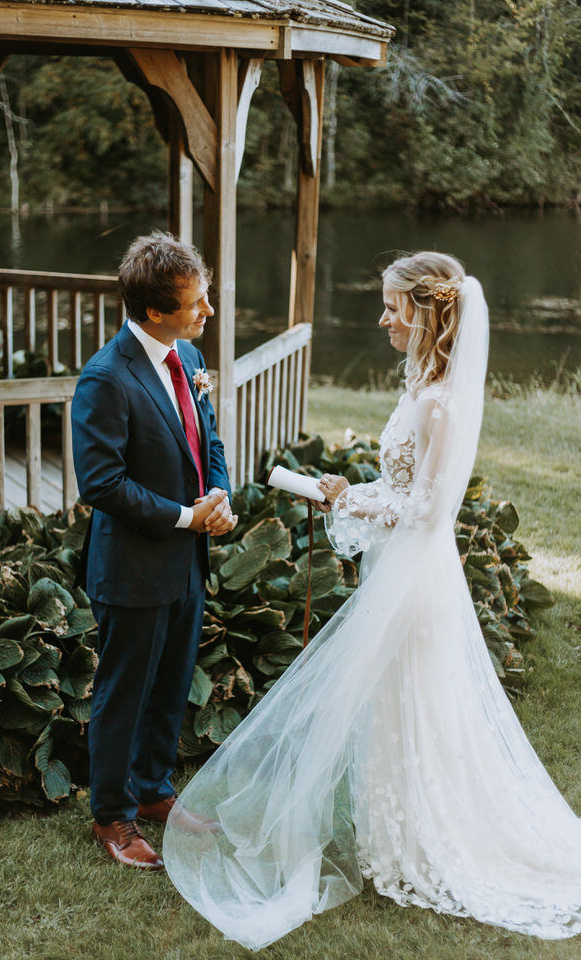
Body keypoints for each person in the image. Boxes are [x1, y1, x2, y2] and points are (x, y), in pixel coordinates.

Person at [163, 252, 581, 947]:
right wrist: (347, 492)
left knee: (416, 701)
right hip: (401, 569)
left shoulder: (440, 402)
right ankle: (399, 839)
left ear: (426, 311)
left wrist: (346, 496)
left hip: (417, 576)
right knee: (397, 702)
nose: (382, 317)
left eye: (392, 306)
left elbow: (426, 510)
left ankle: (431, 844)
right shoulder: (420, 385)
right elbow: (407, 493)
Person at [71, 231, 237, 870]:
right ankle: (112, 817)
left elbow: (207, 440)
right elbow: (101, 483)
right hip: (135, 567)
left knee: (170, 685)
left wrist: (217, 494)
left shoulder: (186, 355)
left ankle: (154, 792)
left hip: (186, 562)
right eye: (196, 302)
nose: (207, 312)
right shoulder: (106, 378)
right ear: (153, 311)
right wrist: (183, 517)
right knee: (125, 693)